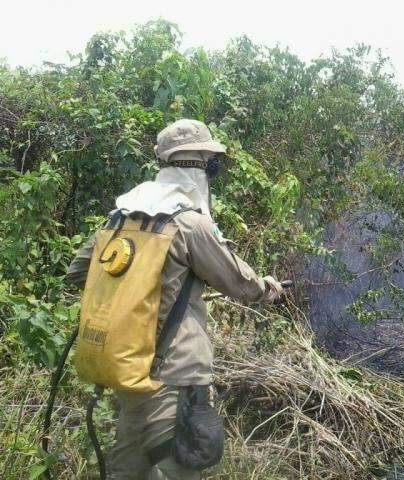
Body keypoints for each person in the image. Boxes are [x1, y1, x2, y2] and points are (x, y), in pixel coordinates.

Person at [66, 118, 284, 479]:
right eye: (211, 163)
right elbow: (240, 284)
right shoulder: (188, 223)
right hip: (176, 376)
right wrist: (268, 290)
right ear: (200, 164)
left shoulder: (120, 217)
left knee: (126, 470)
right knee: (181, 469)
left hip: (128, 367)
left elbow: (79, 272)